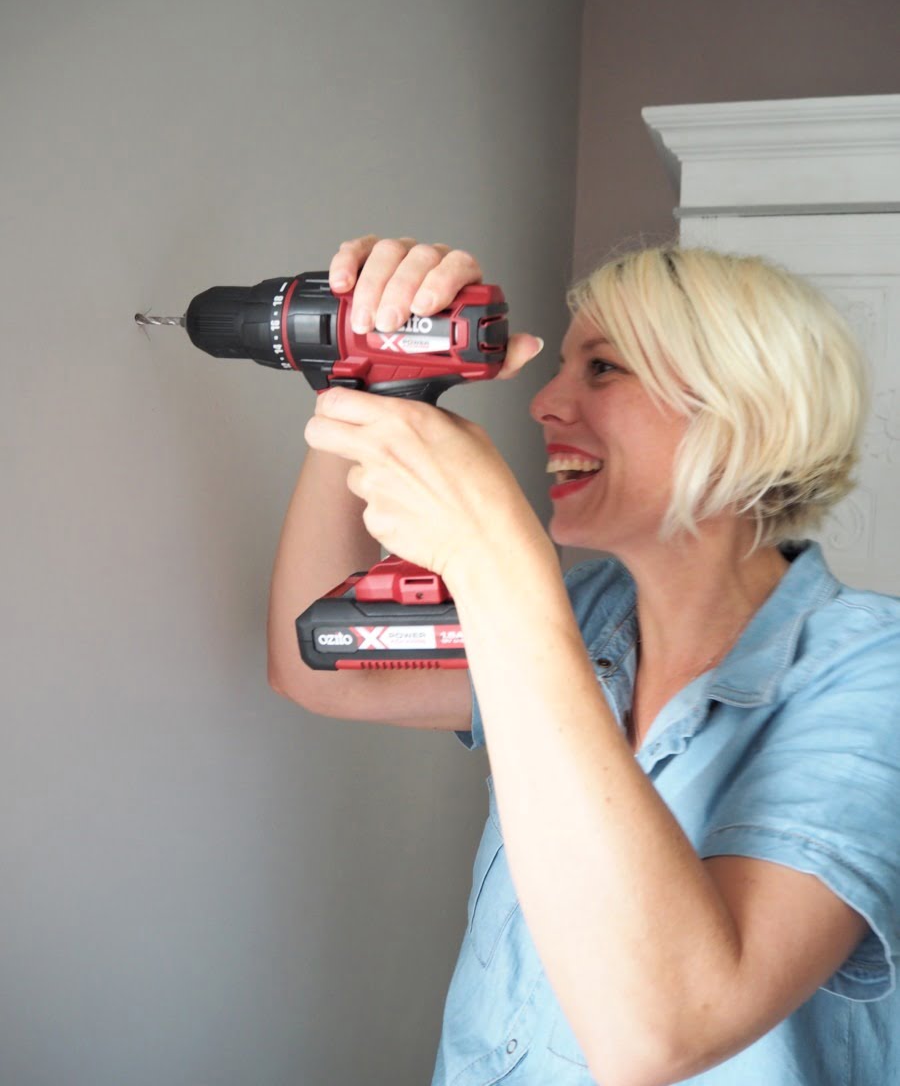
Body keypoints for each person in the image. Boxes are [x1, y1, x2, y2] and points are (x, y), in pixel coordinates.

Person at [267, 234, 900, 1086]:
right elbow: (320, 669)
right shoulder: (585, 614)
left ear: (744, 405)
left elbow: (664, 1034)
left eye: (602, 369)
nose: (545, 403)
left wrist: (496, 558)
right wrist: (362, 388)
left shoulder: (874, 676)